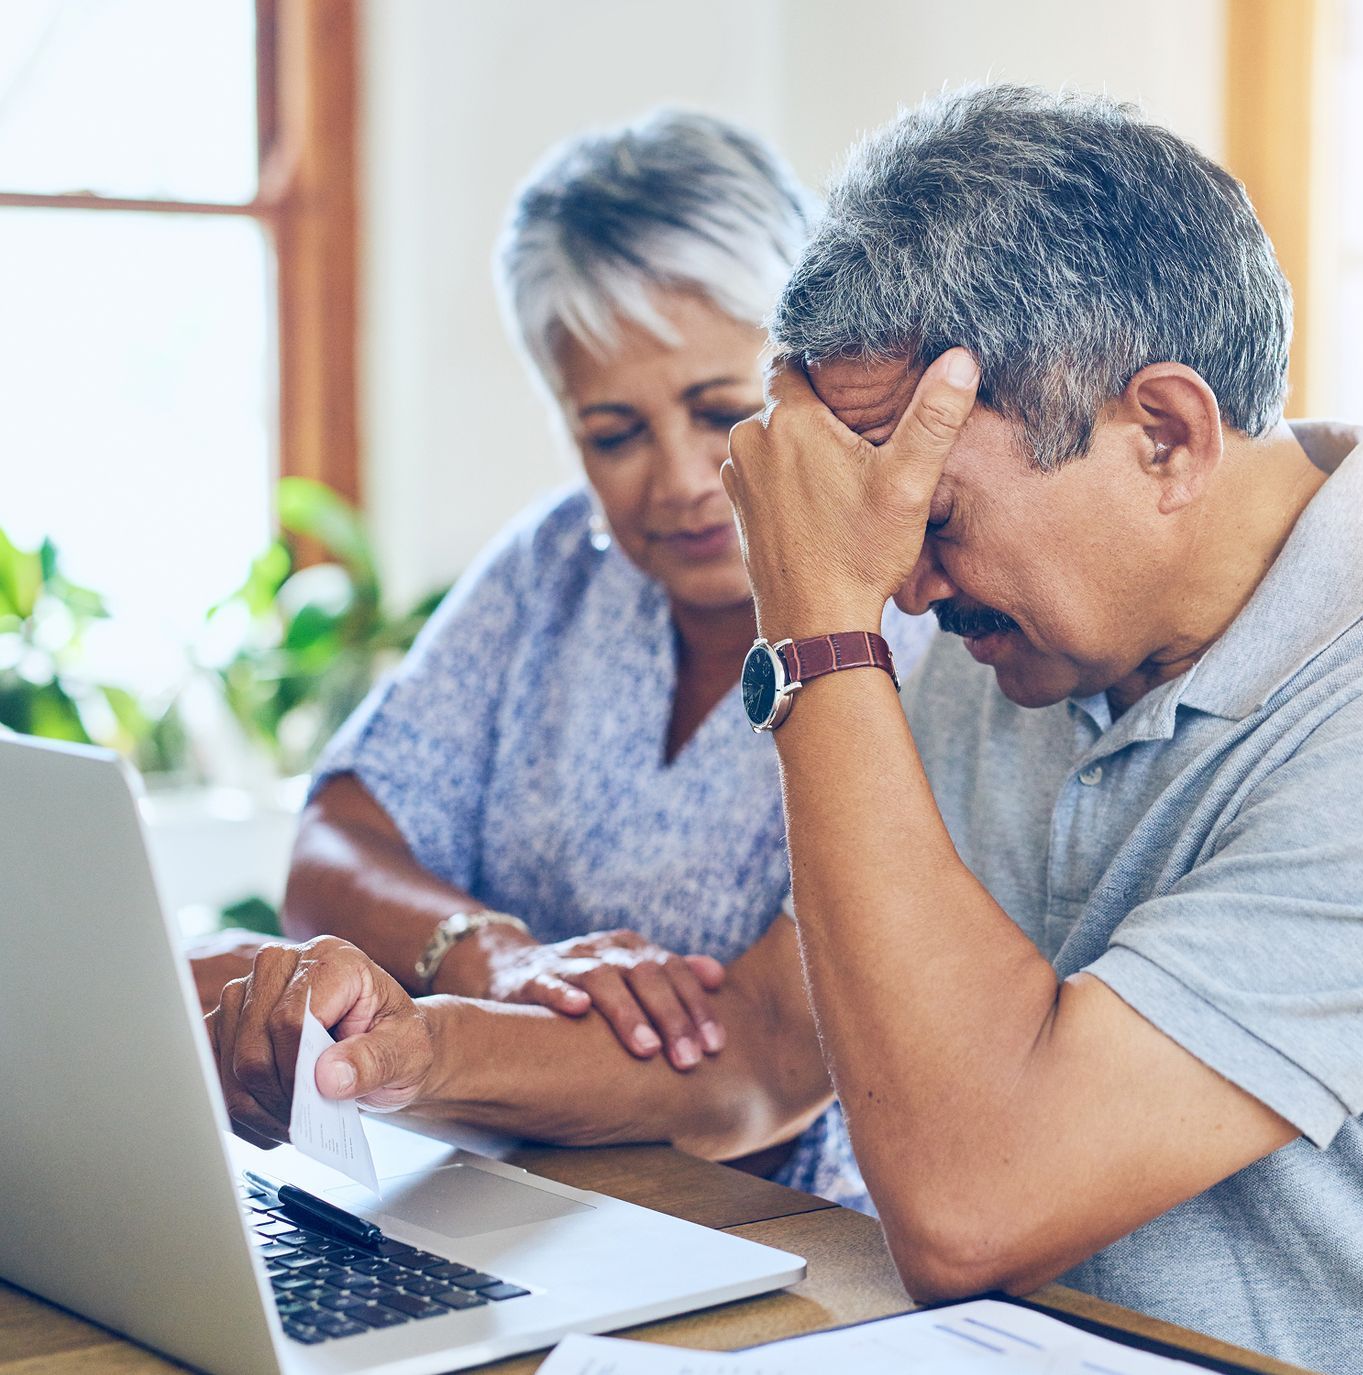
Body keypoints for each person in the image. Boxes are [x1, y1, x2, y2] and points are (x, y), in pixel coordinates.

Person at [207, 87, 1363, 1373]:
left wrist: (819, 631)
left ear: (1163, 434)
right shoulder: (1029, 643)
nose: (905, 583)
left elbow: (975, 1205)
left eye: (932, 520)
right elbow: (768, 1049)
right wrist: (411, 1054)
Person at [196, 110, 927, 1207]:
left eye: (719, 409)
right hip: (489, 1192)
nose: (679, 478)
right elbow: (335, 843)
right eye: (613, 432)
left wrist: (433, 1043)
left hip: (795, 1228)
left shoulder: (918, 620)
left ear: (815, 376)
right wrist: (495, 956)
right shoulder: (553, 566)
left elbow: (767, 1057)